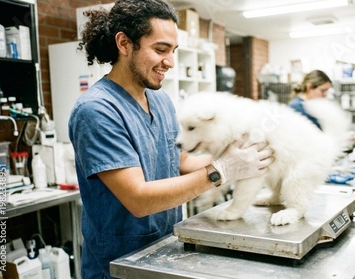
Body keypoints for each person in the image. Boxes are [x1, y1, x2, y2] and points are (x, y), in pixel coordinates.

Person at [68, 1, 274, 278]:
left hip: (166, 250)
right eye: (160, 50)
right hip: (119, 265)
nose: (170, 62)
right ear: (124, 44)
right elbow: (138, 199)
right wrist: (221, 170)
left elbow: (177, 159)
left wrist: (235, 156)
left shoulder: (160, 100)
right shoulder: (96, 110)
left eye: (173, 51)